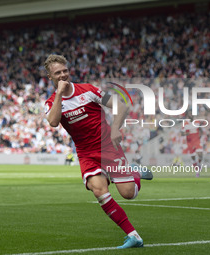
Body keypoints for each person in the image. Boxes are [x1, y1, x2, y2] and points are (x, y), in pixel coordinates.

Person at [44, 54, 144, 249]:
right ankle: (134, 236)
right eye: (58, 73)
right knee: (99, 190)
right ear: (50, 77)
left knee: (128, 194)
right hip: (86, 153)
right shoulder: (51, 103)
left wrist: (115, 128)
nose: (63, 75)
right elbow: (53, 122)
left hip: (108, 147)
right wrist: (58, 95)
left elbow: (121, 106)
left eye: (65, 70)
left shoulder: (88, 90)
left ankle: (135, 174)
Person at [181, 113, 204, 177]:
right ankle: (197, 172)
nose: (191, 116)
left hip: (197, 140)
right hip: (190, 142)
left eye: (192, 114)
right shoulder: (185, 124)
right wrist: (186, 133)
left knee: (200, 154)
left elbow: (200, 129)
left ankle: (199, 163)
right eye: (189, 115)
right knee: (193, 157)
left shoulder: (196, 121)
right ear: (187, 116)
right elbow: (182, 133)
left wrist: (201, 135)